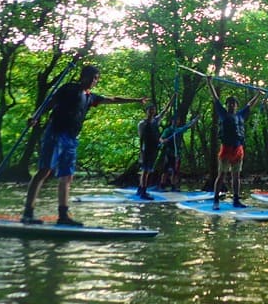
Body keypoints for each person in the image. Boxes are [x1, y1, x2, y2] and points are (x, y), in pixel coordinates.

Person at [21, 65, 147, 226]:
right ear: (84, 76)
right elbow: (50, 103)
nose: (95, 81)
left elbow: (113, 99)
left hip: (71, 138)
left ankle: (63, 215)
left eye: (97, 79)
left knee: (67, 176)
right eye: (93, 77)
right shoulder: (69, 89)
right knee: (44, 171)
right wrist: (36, 116)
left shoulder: (90, 97)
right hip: (55, 132)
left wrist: (136, 100)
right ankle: (28, 213)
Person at [207, 76, 262, 210]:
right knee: (221, 175)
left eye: (233, 103)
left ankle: (236, 200)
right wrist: (209, 83)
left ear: (237, 106)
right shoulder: (223, 113)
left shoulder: (241, 115)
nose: (231, 105)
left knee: (236, 176)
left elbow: (250, 104)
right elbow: (215, 98)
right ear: (227, 105)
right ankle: (216, 200)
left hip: (238, 149)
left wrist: (259, 94)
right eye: (229, 103)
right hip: (226, 148)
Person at [137, 95, 175, 199]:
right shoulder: (142, 123)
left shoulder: (156, 121)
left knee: (148, 170)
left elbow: (165, 110)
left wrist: (172, 98)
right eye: (150, 110)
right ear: (147, 111)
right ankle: (143, 191)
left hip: (154, 149)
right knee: (145, 171)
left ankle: (141, 188)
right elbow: (141, 137)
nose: (152, 112)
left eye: (153, 110)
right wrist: (142, 150)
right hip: (146, 149)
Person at [158, 114, 199, 191]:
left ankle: (173, 185)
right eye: (175, 120)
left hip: (177, 153)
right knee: (165, 170)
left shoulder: (179, 130)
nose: (176, 121)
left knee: (175, 170)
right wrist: (163, 141)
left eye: (177, 120)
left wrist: (195, 119)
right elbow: (161, 138)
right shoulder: (168, 130)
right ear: (172, 121)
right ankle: (162, 185)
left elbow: (188, 126)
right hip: (169, 152)